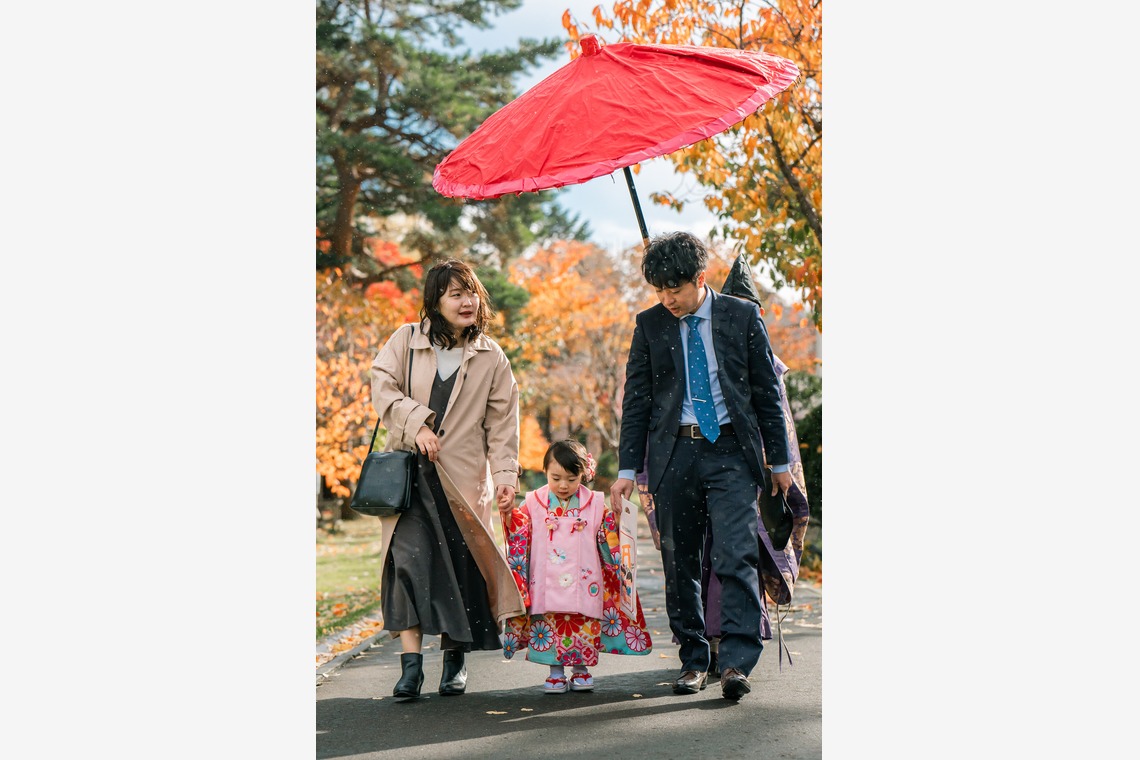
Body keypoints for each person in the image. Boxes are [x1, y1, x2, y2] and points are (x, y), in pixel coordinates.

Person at [611, 232, 793, 701]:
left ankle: (735, 662)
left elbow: (766, 393)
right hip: (674, 454)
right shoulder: (650, 324)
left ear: (700, 278)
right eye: (659, 290)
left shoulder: (741, 315)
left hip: (732, 451)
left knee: (736, 554)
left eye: (676, 288)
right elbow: (637, 400)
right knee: (680, 561)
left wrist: (780, 461)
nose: (668, 299)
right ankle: (694, 659)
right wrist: (628, 470)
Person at [370, 259, 525, 701]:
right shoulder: (406, 339)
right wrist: (416, 423)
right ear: (436, 301)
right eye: (455, 293)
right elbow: (382, 386)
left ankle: (454, 662)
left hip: (462, 480)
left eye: (471, 292)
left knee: (460, 569)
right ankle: (411, 667)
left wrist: (505, 476)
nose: (467, 301)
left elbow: (503, 425)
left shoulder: (491, 356)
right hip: (409, 481)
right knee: (408, 566)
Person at [502, 440, 652, 693]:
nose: (563, 485)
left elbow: (607, 536)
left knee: (581, 624)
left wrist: (616, 520)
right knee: (549, 625)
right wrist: (508, 515)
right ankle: (556, 672)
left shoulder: (594, 502)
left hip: (585, 582)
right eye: (555, 477)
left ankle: (581, 669)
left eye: (571, 479)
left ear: (584, 474)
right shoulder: (533, 501)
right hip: (545, 582)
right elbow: (521, 530)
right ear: (545, 472)